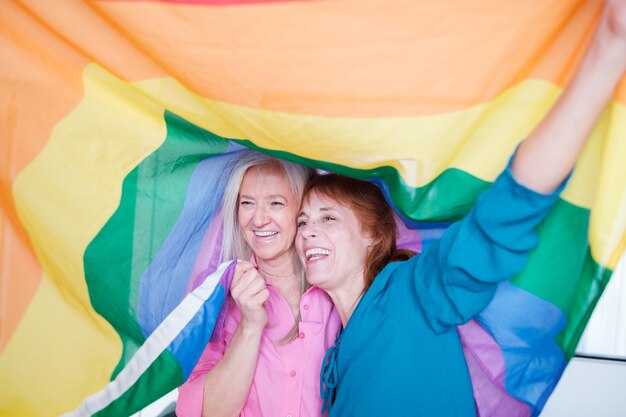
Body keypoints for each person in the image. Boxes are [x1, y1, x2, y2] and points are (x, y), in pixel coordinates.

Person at [294, 1, 626, 416]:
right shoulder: (334, 356)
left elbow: (503, 216)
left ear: (374, 236)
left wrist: (609, 48)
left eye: (328, 218)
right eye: (303, 221)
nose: (306, 231)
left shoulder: (411, 292)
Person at [176, 151, 341, 417]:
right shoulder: (215, 297)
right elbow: (205, 413)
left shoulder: (335, 286)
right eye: (247, 203)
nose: (259, 219)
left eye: (276, 203)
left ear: (302, 209)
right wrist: (250, 325)